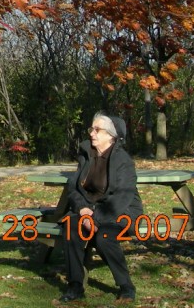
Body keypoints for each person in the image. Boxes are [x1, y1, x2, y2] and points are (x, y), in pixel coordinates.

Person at [58, 112, 141, 304]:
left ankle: (126, 286)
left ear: (111, 136)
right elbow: (74, 188)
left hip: (121, 211)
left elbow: (122, 197)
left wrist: (95, 219)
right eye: (91, 129)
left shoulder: (123, 161)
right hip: (89, 210)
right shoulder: (87, 154)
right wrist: (82, 211)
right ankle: (75, 285)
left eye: (97, 130)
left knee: (103, 236)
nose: (91, 134)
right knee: (70, 226)